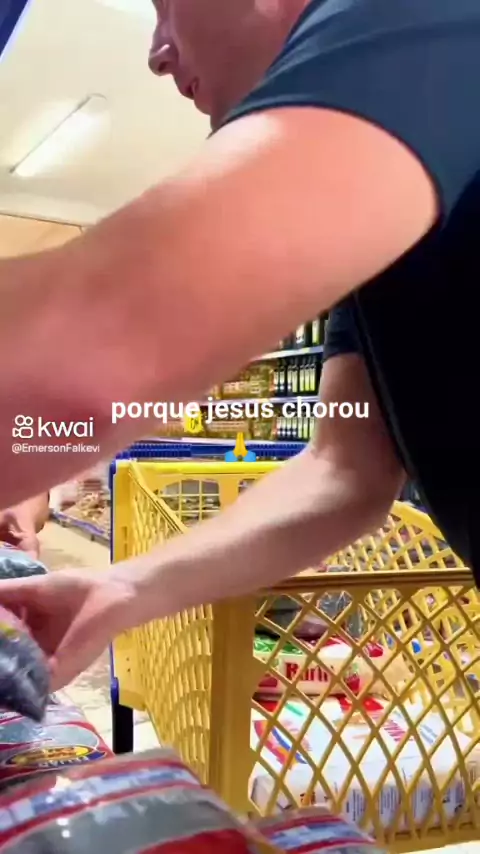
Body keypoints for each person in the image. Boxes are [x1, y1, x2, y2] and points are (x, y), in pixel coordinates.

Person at [0, 0, 479, 688]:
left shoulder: (419, 14)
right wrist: (120, 588)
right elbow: (344, 472)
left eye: (166, 5)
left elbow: (90, 346)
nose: (157, 53)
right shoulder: (377, 209)